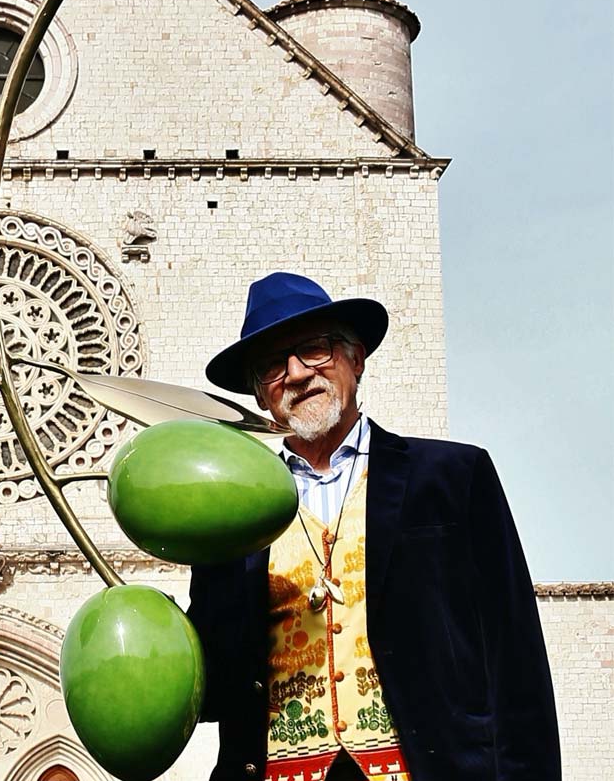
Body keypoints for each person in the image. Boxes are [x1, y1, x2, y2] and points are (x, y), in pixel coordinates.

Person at [187, 272, 560, 781]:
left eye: (313, 350)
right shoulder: (230, 516)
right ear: (259, 395)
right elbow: (213, 689)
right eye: (272, 365)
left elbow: (515, 658)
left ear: (356, 360)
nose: (295, 374)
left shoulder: (453, 477)